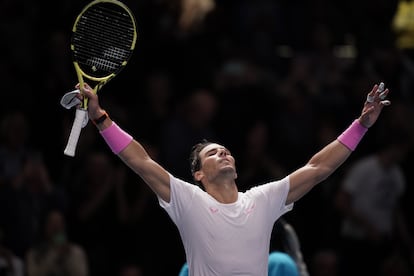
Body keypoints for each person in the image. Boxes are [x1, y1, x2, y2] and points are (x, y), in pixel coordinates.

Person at [76, 81, 390, 275]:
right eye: (213, 153)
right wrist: (100, 118)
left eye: (226, 151)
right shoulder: (187, 199)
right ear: (198, 175)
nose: (223, 153)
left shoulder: (263, 199)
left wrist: (360, 125)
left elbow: (318, 168)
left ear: (237, 170)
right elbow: (140, 161)